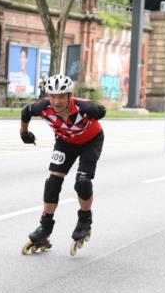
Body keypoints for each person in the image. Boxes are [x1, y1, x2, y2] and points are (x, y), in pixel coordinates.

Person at [19, 74, 106, 256]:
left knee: (82, 182)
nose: (56, 101)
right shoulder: (43, 107)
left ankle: (85, 220)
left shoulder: (85, 107)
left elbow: (101, 111)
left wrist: (97, 111)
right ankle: (45, 228)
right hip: (65, 142)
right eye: (52, 96)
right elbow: (25, 112)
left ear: (69, 95)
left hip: (91, 141)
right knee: (52, 182)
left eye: (60, 96)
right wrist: (24, 133)